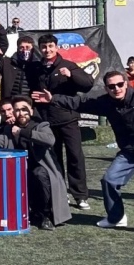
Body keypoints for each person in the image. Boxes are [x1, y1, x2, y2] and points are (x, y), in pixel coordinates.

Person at [34, 71, 134, 228]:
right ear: (106, 88)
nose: (116, 89)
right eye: (112, 86)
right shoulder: (106, 103)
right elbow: (80, 102)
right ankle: (116, 217)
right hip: (129, 152)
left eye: (120, 84)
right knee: (109, 180)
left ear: (126, 84)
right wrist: (53, 98)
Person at [0, 95, 71, 230]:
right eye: (17, 110)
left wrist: (23, 132)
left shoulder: (41, 126)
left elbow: (49, 140)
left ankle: (45, 215)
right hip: (19, 170)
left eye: (24, 109)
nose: (21, 113)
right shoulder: (10, 129)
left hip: (43, 170)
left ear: (31, 111)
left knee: (39, 174)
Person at [28, 33, 94, 210]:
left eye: (50, 46)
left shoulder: (68, 65)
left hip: (67, 119)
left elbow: (87, 84)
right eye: (44, 47)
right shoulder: (36, 68)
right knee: (53, 158)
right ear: (40, 49)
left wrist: (71, 75)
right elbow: (29, 89)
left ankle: (80, 196)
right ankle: (60, 191)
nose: (47, 50)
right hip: (46, 121)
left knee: (75, 156)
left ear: (56, 47)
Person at [0, 36, 38, 100]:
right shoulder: (7, 62)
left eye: (27, 47)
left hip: (29, 102)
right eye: (22, 47)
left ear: (32, 49)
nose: (24, 50)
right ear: (17, 48)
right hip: (10, 102)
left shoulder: (38, 66)